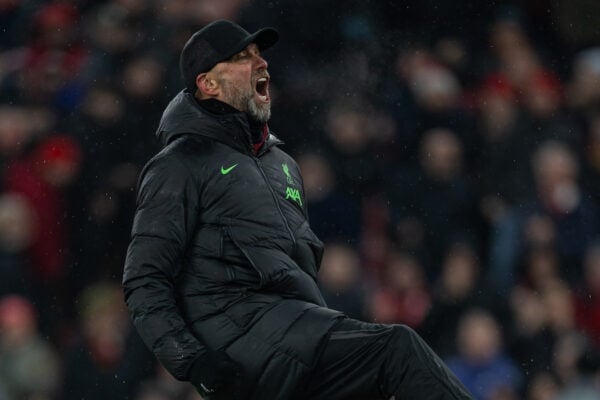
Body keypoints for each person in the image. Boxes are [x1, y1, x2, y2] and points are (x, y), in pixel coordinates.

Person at [123, 19, 474, 400]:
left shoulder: (283, 165)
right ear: (209, 85)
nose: (261, 64)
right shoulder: (180, 163)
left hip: (296, 337)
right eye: (242, 57)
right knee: (396, 351)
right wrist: (191, 361)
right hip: (241, 345)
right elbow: (145, 280)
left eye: (260, 55)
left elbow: (299, 274)